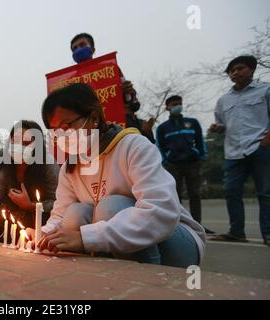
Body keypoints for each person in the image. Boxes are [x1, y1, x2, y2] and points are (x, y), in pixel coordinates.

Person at [35, 83, 205, 268]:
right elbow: (60, 214)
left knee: (111, 206)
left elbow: (160, 212)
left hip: (176, 245)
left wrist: (85, 237)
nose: (62, 137)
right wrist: (42, 234)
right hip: (118, 247)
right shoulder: (70, 167)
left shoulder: (133, 146)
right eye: (55, 132)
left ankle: (147, 282)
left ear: (93, 117)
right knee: (75, 213)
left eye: (66, 126)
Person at [209, 55, 270, 246]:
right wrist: (218, 129)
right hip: (234, 152)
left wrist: (266, 142)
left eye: (240, 68)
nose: (236, 72)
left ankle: (268, 233)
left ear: (252, 69)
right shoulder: (223, 100)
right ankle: (237, 232)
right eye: (232, 70)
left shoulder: (265, 90)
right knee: (232, 192)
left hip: (260, 147)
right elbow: (223, 123)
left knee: (265, 192)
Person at [70, 33, 155, 143]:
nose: (78, 50)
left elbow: (133, 103)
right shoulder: (72, 82)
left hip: (121, 125)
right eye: (74, 48)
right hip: (92, 132)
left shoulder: (110, 69)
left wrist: (127, 92)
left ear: (93, 49)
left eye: (82, 45)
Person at [156, 95, 213, 234]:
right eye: (174, 104)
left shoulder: (192, 123)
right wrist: (165, 162)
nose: (178, 106)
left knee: (195, 194)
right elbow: (160, 146)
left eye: (179, 103)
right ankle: (180, 226)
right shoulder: (162, 128)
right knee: (175, 196)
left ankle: (197, 225)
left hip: (193, 164)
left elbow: (200, 141)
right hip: (173, 165)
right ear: (167, 107)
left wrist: (201, 158)